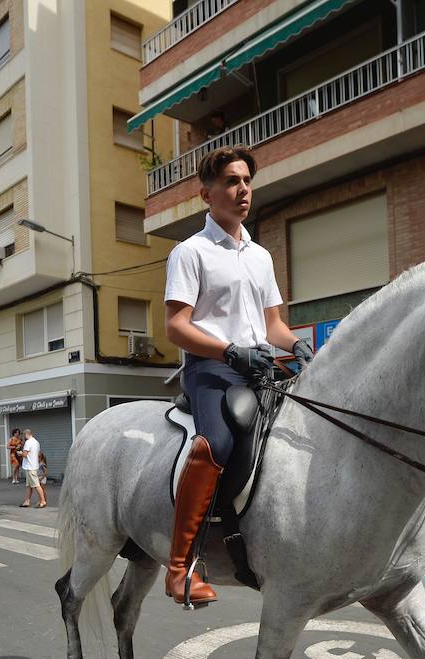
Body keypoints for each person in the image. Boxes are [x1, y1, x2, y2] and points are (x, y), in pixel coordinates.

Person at [162, 145, 313, 606]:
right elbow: (176, 326)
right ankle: (179, 569)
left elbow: (273, 326)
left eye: (246, 180)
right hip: (211, 367)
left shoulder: (261, 256)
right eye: (231, 181)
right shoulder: (191, 252)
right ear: (207, 193)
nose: (242, 188)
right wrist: (229, 350)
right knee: (217, 445)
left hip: (260, 366)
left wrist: (298, 344)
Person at [19, 429, 46, 508]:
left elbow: (25, 454)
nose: (23, 437)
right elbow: (37, 454)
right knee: (29, 485)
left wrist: (20, 453)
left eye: (24, 435)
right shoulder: (36, 442)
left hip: (30, 466)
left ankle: (43, 501)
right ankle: (27, 501)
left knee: (36, 485)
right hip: (34, 465)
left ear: (26, 434)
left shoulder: (28, 442)